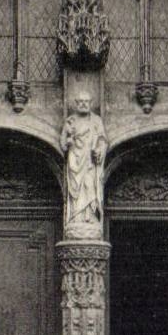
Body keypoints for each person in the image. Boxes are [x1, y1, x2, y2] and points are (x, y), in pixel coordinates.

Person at [60, 95, 107, 234]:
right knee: (75, 189)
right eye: (80, 102)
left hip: (89, 161)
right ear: (76, 104)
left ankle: (90, 216)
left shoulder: (96, 121)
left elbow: (103, 139)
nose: (83, 104)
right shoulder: (71, 121)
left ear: (90, 103)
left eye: (86, 102)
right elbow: (63, 144)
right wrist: (68, 141)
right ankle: (76, 217)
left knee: (89, 185)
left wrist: (99, 149)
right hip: (75, 159)